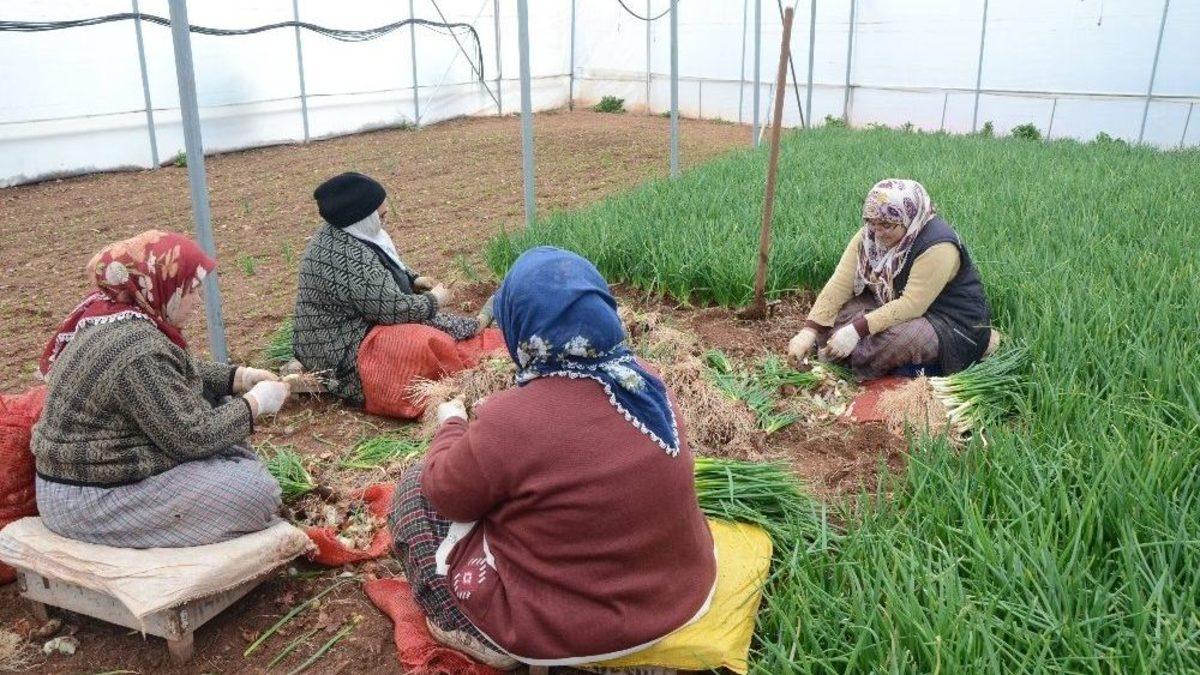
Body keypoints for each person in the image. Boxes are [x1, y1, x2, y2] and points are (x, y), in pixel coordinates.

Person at [388, 247, 717, 669]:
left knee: (414, 492)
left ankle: (476, 635)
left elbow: (447, 494)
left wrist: (452, 424)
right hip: (680, 595)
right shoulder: (646, 381)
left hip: (565, 632)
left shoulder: (511, 419)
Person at [32, 230, 289, 549]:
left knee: (215, 401)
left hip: (79, 483)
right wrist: (257, 403)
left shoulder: (111, 315)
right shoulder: (136, 349)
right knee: (257, 494)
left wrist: (238, 377)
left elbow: (169, 373)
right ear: (162, 287)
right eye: (191, 290)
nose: (197, 301)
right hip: (89, 501)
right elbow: (194, 438)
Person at [293, 172, 496, 417]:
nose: (385, 218)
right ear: (361, 217)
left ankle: (471, 328)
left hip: (351, 327)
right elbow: (394, 310)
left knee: (427, 331)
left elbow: (381, 266)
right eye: (380, 216)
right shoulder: (348, 256)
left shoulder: (346, 232)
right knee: (422, 343)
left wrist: (413, 279)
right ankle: (472, 332)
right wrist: (434, 300)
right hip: (339, 351)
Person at [787, 179, 993, 379]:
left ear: (908, 219)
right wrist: (809, 330)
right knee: (839, 314)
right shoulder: (868, 236)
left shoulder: (938, 246)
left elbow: (912, 305)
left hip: (945, 320)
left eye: (887, 225)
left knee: (893, 341)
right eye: (872, 222)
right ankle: (846, 352)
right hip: (894, 304)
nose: (878, 233)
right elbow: (841, 282)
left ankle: (848, 361)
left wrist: (855, 331)